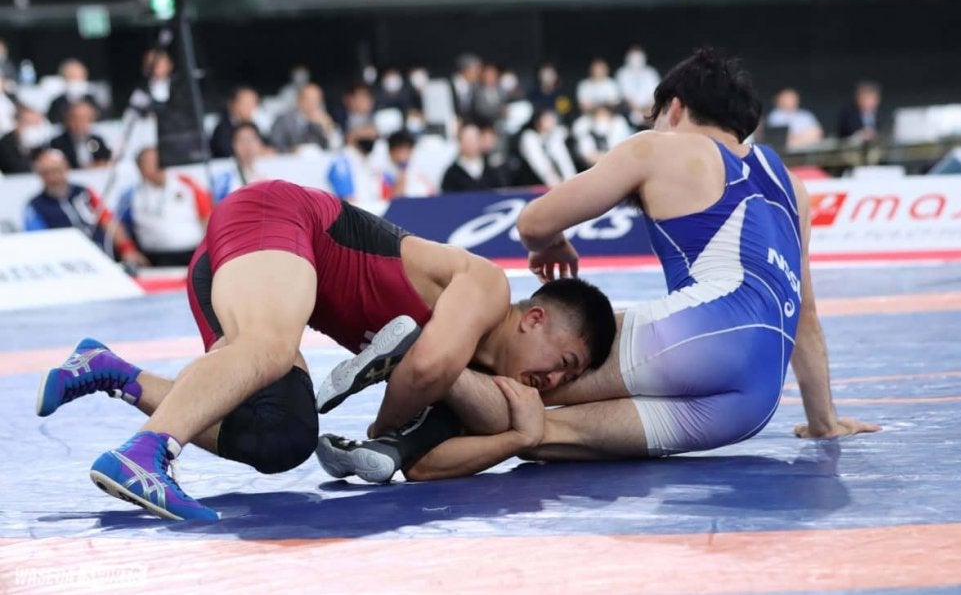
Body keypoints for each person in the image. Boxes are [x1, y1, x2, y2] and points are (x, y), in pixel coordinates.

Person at [318, 48, 880, 484]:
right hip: (755, 399)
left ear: (674, 108)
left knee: (524, 377)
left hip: (702, 333)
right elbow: (805, 315)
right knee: (537, 433)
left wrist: (552, 244)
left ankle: (414, 352)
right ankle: (396, 449)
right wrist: (824, 421)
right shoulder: (792, 186)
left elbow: (533, 221)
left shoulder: (663, 146)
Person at [37, 178, 616, 521]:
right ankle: (145, 454)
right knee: (268, 348)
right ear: (534, 318)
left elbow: (416, 466)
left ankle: (111, 371)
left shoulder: (470, 374)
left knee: (278, 436)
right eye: (563, 363)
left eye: (567, 381)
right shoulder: (487, 286)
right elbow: (428, 367)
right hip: (281, 219)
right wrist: (383, 431)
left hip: (252, 266)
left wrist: (517, 439)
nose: (553, 382)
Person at [24, 148, 148, 266]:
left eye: (57, 170)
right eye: (46, 173)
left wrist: (127, 249)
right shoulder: (35, 206)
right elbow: (39, 240)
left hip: (101, 254)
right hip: (67, 260)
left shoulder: (84, 192)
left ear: (66, 168)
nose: (53, 177)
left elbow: (108, 221)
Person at [117, 147, 211, 266]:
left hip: (193, 252)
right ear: (140, 168)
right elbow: (118, 226)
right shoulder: (131, 195)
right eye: (149, 162)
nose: (157, 165)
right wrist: (128, 249)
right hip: (156, 257)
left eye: (159, 160)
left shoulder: (186, 183)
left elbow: (207, 216)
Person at [326, 123, 391, 209]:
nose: (370, 139)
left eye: (372, 136)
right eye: (365, 135)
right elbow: (346, 196)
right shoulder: (342, 161)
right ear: (351, 136)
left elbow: (386, 189)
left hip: (376, 208)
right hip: (355, 210)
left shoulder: (374, 160)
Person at [269, 83, 338, 153]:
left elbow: (336, 146)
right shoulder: (283, 120)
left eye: (316, 99)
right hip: (291, 159)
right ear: (299, 100)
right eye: (308, 99)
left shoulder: (323, 119)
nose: (312, 103)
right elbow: (274, 145)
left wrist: (329, 128)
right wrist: (290, 150)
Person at [441, 121, 505, 192]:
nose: (471, 143)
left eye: (474, 139)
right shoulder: (452, 174)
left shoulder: (491, 168)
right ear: (460, 143)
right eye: (468, 140)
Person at [212, 122, 268, 202]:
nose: (247, 145)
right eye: (242, 140)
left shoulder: (266, 175)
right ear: (233, 144)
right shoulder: (224, 179)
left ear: (259, 143)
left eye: (251, 140)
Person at [49, 101, 112, 169]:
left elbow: (106, 160)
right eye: (76, 118)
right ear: (68, 120)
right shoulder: (58, 143)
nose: (80, 123)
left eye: (86, 119)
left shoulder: (97, 140)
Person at [209, 86, 261, 159]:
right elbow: (225, 151)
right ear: (233, 104)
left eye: (253, 103)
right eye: (246, 103)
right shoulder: (222, 129)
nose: (251, 108)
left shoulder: (253, 125)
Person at [615, 45, 661, 126]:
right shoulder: (622, 73)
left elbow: (656, 92)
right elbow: (625, 95)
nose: (637, 59)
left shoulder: (651, 72)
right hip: (630, 110)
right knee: (634, 117)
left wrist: (649, 108)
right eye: (634, 55)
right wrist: (637, 109)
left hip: (650, 107)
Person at [46, 59, 102, 125]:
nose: (74, 79)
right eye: (70, 75)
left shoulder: (92, 98)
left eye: (77, 75)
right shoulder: (57, 101)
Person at [0, 104, 50, 175]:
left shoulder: (41, 143)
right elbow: (13, 167)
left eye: (36, 124)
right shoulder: (5, 143)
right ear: (17, 123)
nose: (33, 128)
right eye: (29, 123)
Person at [387, 129, 436, 198]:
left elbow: (433, 195)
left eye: (408, 150)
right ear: (391, 152)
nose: (404, 155)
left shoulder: (419, 175)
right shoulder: (383, 176)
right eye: (400, 150)